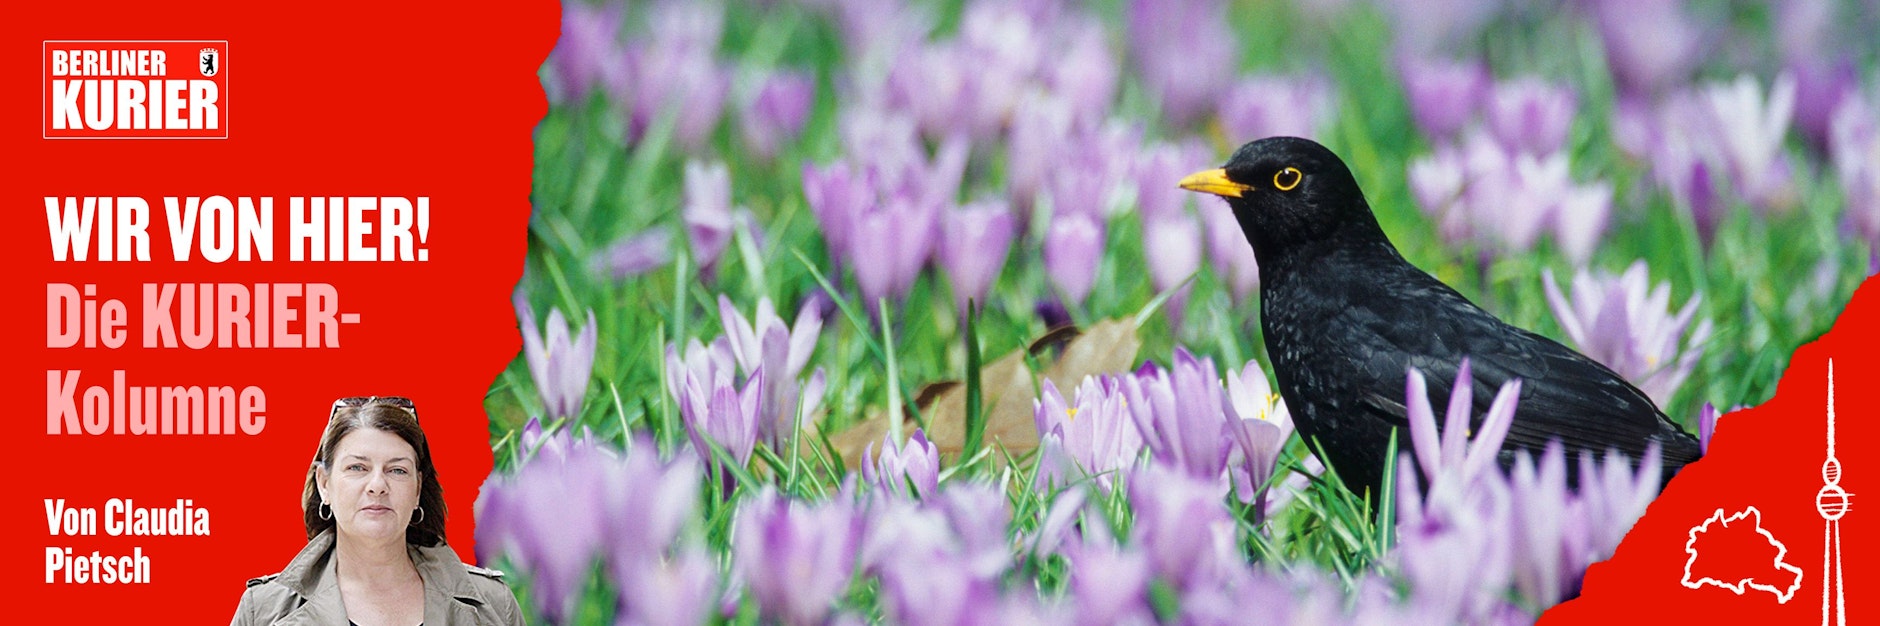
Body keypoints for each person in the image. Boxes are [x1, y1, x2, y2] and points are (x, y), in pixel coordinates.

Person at [232, 396, 523, 626]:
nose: (377, 485)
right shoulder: (264, 611)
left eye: (397, 470)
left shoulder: (494, 607)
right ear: (324, 484)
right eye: (357, 467)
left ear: (418, 489)